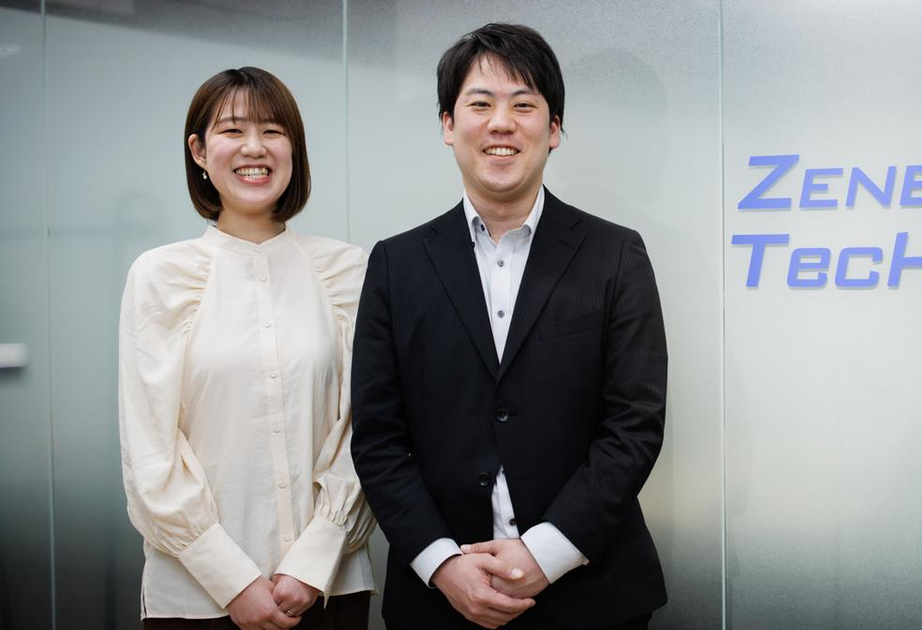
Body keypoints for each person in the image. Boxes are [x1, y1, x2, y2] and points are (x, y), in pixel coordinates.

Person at [351, 23, 668, 630]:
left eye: (524, 105)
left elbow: (634, 424)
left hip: (593, 597)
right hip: (439, 602)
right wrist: (442, 564)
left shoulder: (615, 254)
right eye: (480, 104)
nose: (501, 123)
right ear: (448, 125)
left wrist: (546, 553)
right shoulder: (396, 264)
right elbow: (377, 438)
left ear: (554, 129)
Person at [118, 67, 375, 630]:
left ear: (294, 150)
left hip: (327, 588)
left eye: (273, 131)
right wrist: (232, 580)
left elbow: (368, 428)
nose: (254, 148)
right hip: (194, 595)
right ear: (199, 151)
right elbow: (149, 451)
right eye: (232, 130)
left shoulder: (347, 271)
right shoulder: (160, 276)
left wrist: (312, 561)